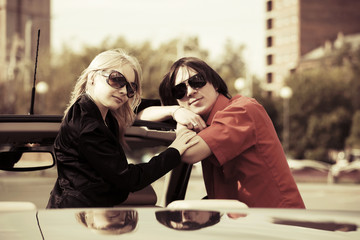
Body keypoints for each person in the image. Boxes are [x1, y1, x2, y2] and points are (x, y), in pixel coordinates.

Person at [137, 57, 305, 208]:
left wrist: (181, 119)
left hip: (279, 224)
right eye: (179, 91)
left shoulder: (242, 110)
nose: (189, 92)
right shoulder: (199, 120)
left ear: (215, 83)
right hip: (238, 225)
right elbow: (136, 115)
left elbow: (188, 152)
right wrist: (175, 111)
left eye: (196, 81)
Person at [46, 49, 198, 208]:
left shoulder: (103, 113)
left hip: (88, 215)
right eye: (116, 80)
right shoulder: (87, 126)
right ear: (92, 77)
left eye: (131, 87)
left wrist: (176, 110)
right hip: (75, 216)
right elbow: (129, 180)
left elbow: (141, 106)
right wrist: (175, 150)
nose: (124, 91)